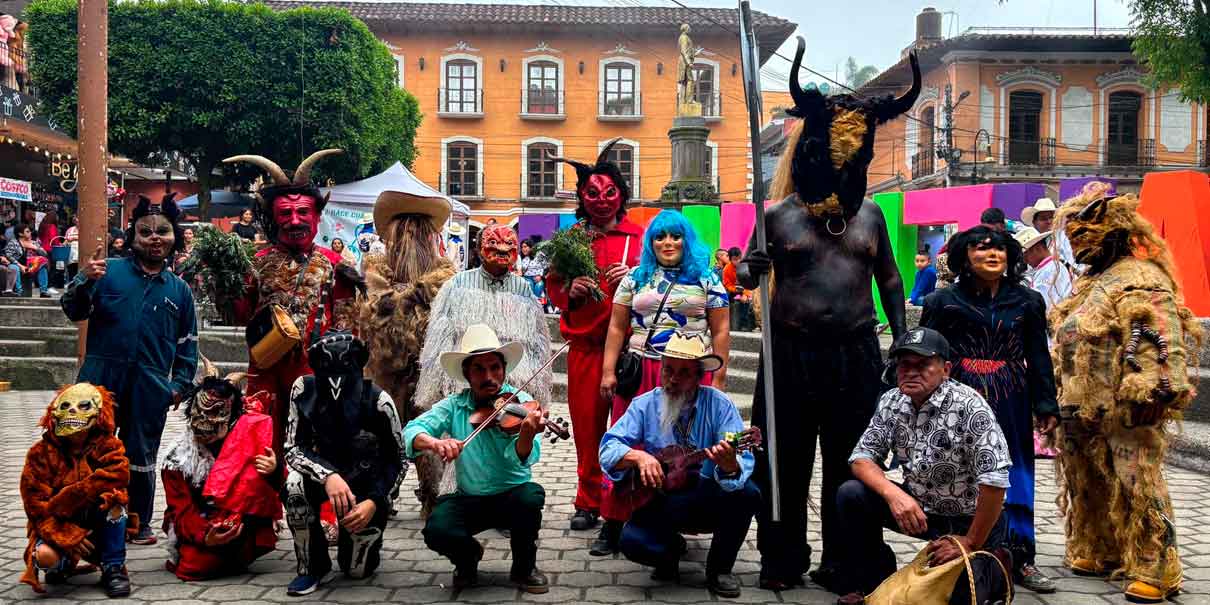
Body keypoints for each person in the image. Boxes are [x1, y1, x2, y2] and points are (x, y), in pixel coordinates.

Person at [737, 38, 915, 591]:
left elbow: (888, 277)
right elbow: (744, 275)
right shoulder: (777, 215)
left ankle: (848, 560)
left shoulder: (872, 217)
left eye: (851, 156)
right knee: (783, 461)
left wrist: (902, 337)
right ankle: (782, 556)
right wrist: (754, 265)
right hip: (789, 354)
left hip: (856, 354)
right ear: (816, 151)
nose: (841, 164)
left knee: (851, 462)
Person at [1051, 185, 1200, 604]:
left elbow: (1157, 336)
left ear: (1114, 230)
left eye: (1087, 229)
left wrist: (1151, 389)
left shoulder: (1141, 277)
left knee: (1136, 480)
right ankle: (1103, 549)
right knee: (1089, 481)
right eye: (1073, 231)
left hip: (1124, 406)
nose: (1078, 238)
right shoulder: (1090, 282)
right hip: (1081, 403)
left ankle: (1158, 565)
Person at [921, 225, 1059, 594]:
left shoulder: (1028, 302)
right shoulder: (942, 302)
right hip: (959, 397)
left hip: (1013, 396)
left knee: (1015, 474)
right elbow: (926, 356)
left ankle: (1020, 558)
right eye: (981, 249)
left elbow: (1038, 355)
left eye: (999, 248)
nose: (992, 254)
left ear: (1011, 256)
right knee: (960, 473)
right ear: (965, 257)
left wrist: (1047, 403)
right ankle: (962, 553)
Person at [833, 328, 1013, 604]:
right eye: (904, 364)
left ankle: (995, 560)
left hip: (971, 519)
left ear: (946, 369)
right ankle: (872, 583)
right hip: (919, 509)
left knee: (962, 597)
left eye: (923, 364)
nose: (911, 372)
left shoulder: (970, 406)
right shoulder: (892, 401)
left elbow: (996, 480)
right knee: (851, 493)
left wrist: (970, 542)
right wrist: (895, 495)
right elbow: (861, 458)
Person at [61, 194, 198, 546]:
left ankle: (137, 523)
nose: (155, 237)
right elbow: (74, 311)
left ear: (174, 237)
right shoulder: (108, 272)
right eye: (146, 231)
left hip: (150, 385)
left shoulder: (180, 291)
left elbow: (187, 347)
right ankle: (84, 520)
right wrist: (84, 281)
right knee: (88, 450)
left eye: (163, 231)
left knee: (140, 456)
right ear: (133, 237)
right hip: (99, 380)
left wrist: (178, 386)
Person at [593, 210, 731, 555]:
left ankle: (672, 516)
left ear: (687, 240)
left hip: (687, 374)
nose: (667, 243)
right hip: (640, 373)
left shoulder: (708, 279)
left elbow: (721, 330)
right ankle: (612, 522)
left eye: (675, 236)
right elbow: (615, 327)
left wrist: (720, 378)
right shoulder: (635, 278)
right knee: (630, 445)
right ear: (650, 242)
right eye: (659, 236)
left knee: (680, 448)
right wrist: (609, 371)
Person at [224, 150, 362, 462]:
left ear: (317, 216)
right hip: (265, 370)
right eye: (285, 213)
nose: (295, 220)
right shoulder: (255, 263)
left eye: (303, 212)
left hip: (317, 372)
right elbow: (240, 314)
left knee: (317, 444)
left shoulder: (336, 265)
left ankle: (318, 505)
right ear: (273, 218)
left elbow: (346, 327)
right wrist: (225, 286)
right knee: (261, 442)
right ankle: (261, 507)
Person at [599, 332, 759, 598]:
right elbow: (607, 449)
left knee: (749, 493)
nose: (673, 379)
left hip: (705, 496)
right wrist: (639, 457)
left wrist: (730, 464)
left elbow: (740, 456)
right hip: (659, 499)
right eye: (668, 370)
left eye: (684, 372)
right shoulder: (644, 404)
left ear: (699, 377)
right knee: (631, 542)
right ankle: (670, 553)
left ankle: (719, 569)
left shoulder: (721, 406)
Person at [412, 222, 551, 518]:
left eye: (509, 248)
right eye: (493, 247)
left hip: (516, 377)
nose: (502, 252)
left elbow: (539, 339)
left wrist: (538, 388)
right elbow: (438, 336)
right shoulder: (457, 285)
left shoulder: (525, 290)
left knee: (509, 437)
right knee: (463, 442)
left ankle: (507, 494)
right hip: (467, 378)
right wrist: (434, 382)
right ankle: (456, 497)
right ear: (478, 249)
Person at [406, 324, 551, 594]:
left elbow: (522, 460)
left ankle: (524, 568)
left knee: (531, 497)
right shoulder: (455, 404)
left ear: (504, 369)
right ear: (466, 374)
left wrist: (527, 435)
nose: (489, 377)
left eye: (495, 367)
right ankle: (468, 558)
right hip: (469, 497)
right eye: (479, 370)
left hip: (511, 496)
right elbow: (412, 431)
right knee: (436, 528)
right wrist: (436, 442)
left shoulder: (523, 404)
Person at [545, 140, 644, 532]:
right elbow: (553, 286)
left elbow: (662, 282)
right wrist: (569, 292)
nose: (601, 200)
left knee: (629, 429)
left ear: (621, 194)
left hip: (629, 353)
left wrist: (635, 279)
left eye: (609, 192)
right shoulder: (572, 240)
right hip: (585, 350)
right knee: (588, 430)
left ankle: (623, 501)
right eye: (592, 193)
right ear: (581, 199)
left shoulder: (639, 238)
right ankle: (587, 501)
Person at [283, 331, 404, 596]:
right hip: (324, 477)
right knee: (293, 486)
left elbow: (398, 459)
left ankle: (363, 543)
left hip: (365, 484)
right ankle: (311, 565)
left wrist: (375, 501)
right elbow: (293, 448)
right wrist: (328, 476)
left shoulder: (379, 402)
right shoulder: (303, 391)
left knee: (356, 570)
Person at [358, 190, 457, 512]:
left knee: (429, 434)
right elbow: (373, 313)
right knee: (383, 434)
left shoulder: (445, 278)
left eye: (420, 229)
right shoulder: (376, 273)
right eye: (406, 228)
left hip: (429, 372)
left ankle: (433, 497)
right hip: (384, 372)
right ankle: (379, 496)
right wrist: (409, 297)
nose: (412, 236)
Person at [160, 362, 278, 581]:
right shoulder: (177, 459)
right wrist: (206, 536)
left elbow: (271, 492)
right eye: (199, 413)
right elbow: (181, 510)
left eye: (215, 413)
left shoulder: (246, 439)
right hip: (197, 520)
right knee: (195, 566)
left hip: (236, 516)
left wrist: (273, 470)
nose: (204, 422)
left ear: (232, 417)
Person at [19, 383, 133, 598]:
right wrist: (67, 535)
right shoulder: (40, 453)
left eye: (82, 406)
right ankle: (60, 567)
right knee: (45, 556)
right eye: (66, 406)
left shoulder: (108, 444)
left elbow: (118, 475)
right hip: (57, 522)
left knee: (116, 503)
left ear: (98, 414)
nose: (72, 412)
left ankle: (113, 567)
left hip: (95, 518)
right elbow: (35, 507)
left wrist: (72, 495)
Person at [1016, 226, 1072, 312]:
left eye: (1025, 255)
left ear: (1037, 248)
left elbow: (1043, 305)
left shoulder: (1049, 270)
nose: (1025, 260)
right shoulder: (1051, 267)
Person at [5, 222, 54, 297]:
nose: (30, 233)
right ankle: (19, 291)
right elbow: (9, 256)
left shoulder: (35, 243)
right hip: (17, 264)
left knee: (42, 264)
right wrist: (21, 266)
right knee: (13, 267)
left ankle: (43, 291)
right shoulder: (13, 243)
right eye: (27, 231)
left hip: (31, 266)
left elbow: (45, 255)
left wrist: (35, 248)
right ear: (20, 234)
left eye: (30, 231)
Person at [722, 247, 753, 332]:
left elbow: (750, 284)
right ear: (730, 259)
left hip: (744, 289)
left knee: (745, 302)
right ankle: (725, 322)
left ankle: (744, 323)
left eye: (739, 258)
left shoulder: (745, 267)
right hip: (732, 290)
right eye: (735, 259)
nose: (738, 261)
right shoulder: (726, 269)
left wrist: (745, 294)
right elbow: (727, 284)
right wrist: (735, 290)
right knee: (725, 297)